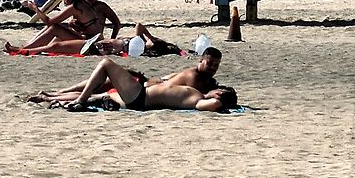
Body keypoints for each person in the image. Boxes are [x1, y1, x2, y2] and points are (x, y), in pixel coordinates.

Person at [29, 48, 236, 112]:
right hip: (142, 89)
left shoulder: (200, 96)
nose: (213, 69)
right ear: (201, 61)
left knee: (106, 64)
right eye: (210, 64)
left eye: (215, 65)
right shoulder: (195, 81)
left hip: (140, 96)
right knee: (99, 94)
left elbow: (212, 104)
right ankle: (51, 97)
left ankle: (79, 101)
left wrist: (221, 99)